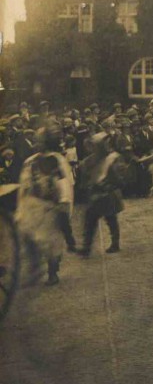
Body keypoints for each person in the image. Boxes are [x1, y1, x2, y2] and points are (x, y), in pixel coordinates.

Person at [15, 122, 74, 285]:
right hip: (33, 205)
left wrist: (64, 201)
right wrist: (22, 203)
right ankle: (34, 268)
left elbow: (64, 182)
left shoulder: (56, 160)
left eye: (40, 140)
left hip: (50, 206)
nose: (37, 143)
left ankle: (52, 272)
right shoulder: (30, 161)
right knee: (28, 236)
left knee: (51, 240)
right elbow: (24, 183)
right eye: (36, 140)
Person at [77, 133, 125, 256]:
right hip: (95, 194)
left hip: (108, 193)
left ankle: (115, 243)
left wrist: (108, 185)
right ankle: (86, 247)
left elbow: (119, 178)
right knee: (90, 221)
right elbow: (84, 179)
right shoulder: (88, 161)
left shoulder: (113, 158)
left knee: (111, 220)